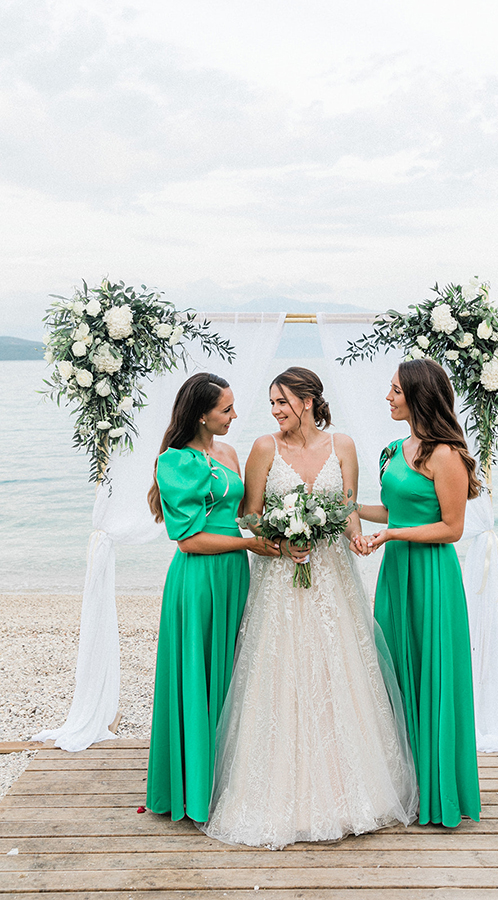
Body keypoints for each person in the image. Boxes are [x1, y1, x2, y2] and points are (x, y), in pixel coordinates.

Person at [203, 367, 418, 850]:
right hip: (281, 576)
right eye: (272, 402)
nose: (276, 410)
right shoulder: (263, 448)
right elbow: (249, 514)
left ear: (307, 400)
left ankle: (350, 793)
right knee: (278, 673)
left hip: (333, 577)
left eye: (283, 401)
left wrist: (358, 536)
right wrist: (280, 536)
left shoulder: (342, 446)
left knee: (337, 670)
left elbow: (346, 509)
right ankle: (275, 795)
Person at [145, 373, 279, 823]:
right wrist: (249, 545)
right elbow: (188, 539)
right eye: (226, 409)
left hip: (234, 576)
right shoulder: (175, 461)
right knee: (198, 673)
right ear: (201, 414)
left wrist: (290, 529)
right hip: (200, 578)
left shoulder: (229, 453)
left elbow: (243, 514)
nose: (234, 415)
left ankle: (226, 780)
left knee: (233, 673)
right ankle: (193, 789)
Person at [358, 358, 481, 827]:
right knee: (394, 670)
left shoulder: (445, 454)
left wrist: (392, 536)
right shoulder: (393, 449)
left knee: (432, 671)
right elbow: (393, 510)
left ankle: (437, 791)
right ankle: (404, 785)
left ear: (418, 395)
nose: (387, 398)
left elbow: (451, 528)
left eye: (394, 391)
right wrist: (343, 509)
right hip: (397, 573)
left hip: (431, 576)